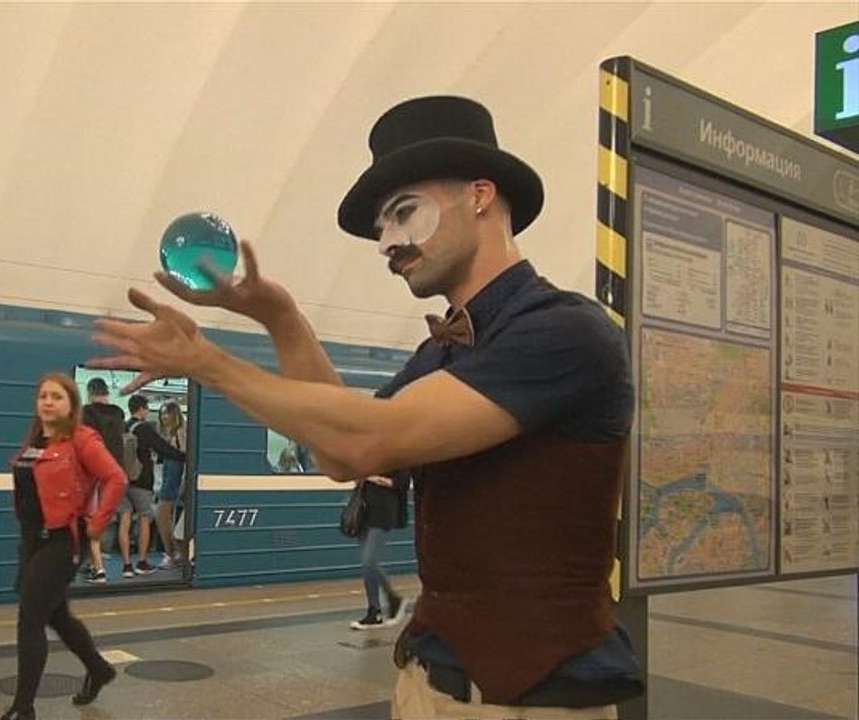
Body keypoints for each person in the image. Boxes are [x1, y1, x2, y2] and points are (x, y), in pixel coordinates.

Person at [90, 96, 641, 718]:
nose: (387, 243)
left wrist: (208, 363)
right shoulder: (441, 351)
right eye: (382, 227)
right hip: (431, 685)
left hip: (532, 701)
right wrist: (283, 319)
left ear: (480, 196)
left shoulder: (566, 332)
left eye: (403, 213)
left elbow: (367, 438)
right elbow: (339, 454)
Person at [1, 372, 126, 720]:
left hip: (62, 539)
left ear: (72, 404)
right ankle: (98, 669)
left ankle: (23, 707)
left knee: (30, 618)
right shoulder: (36, 439)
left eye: (57, 397)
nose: (48, 402)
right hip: (31, 539)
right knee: (56, 614)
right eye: (43, 396)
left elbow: (116, 477)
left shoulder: (82, 439)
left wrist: (98, 521)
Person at [120, 394, 184, 577]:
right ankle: (143, 561)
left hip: (123, 480)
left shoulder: (124, 426)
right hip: (142, 481)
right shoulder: (145, 428)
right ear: (142, 408)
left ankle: (126, 565)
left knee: (125, 520)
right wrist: (185, 457)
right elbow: (163, 448)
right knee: (146, 519)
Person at [80, 377, 127, 584]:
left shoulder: (86, 413)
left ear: (90, 392)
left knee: (91, 518)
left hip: (94, 473)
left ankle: (98, 568)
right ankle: (93, 564)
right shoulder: (119, 413)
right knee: (105, 517)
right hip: (115, 473)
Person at [349, 472, 410, 630]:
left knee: (369, 561)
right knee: (368, 565)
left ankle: (390, 600)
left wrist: (374, 478)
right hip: (364, 512)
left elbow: (402, 483)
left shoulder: (395, 460)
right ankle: (375, 610)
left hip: (383, 512)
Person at [154, 401, 187, 567]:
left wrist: (184, 483)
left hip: (174, 478)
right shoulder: (170, 433)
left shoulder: (180, 432)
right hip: (170, 477)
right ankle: (174, 552)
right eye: (162, 413)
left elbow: (186, 456)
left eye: (167, 413)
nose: (164, 417)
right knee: (165, 516)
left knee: (162, 514)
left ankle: (171, 553)